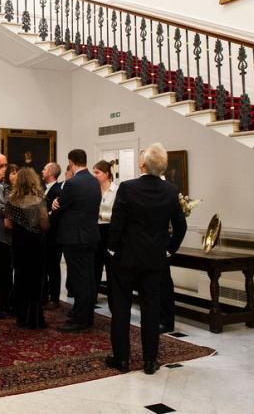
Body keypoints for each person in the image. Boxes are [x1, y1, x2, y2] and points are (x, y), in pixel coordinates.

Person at [106, 143, 187, 375]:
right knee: (151, 310)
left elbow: (117, 223)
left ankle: (122, 359)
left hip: (126, 258)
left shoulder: (127, 187)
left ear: (142, 164)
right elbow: (180, 226)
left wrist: (111, 249)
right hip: (154, 260)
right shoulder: (170, 190)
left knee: (121, 309)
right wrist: (169, 250)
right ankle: (150, 361)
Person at [51, 149, 101, 332]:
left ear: (71, 162)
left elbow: (61, 207)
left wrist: (54, 206)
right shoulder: (94, 181)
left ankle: (81, 318)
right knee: (88, 278)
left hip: (74, 237)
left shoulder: (72, 183)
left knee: (79, 279)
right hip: (90, 235)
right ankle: (85, 313)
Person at [5, 167, 49, 329]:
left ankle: (22, 317)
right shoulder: (39, 200)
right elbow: (45, 225)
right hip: (36, 243)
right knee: (36, 279)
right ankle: (36, 319)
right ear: (33, 181)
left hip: (19, 242)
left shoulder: (11, 201)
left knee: (21, 277)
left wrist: (20, 227)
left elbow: (7, 224)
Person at [0, 163, 18, 316]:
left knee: (13, 272)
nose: (15, 175)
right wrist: (13, 214)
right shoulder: (0, 188)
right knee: (4, 271)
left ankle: (10, 302)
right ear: (7, 175)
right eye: (12, 173)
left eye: (17, 172)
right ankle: (0, 304)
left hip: (17, 234)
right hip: (3, 235)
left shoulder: (21, 190)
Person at [93, 160, 117, 298]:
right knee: (95, 265)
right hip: (95, 230)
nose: (95, 175)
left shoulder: (116, 190)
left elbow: (119, 214)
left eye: (97, 172)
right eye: (94, 172)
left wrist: (102, 215)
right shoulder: (94, 189)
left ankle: (113, 299)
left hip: (109, 230)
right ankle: (92, 296)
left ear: (107, 174)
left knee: (110, 266)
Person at [42, 162, 62, 310]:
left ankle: (54, 298)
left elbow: (56, 213)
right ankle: (45, 295)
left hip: (53, 235)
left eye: (44, 169)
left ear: (50, 173)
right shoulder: (44, 188)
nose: (42, 171)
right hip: (44, 235)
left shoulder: (58, 190)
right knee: (45, 266)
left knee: (53, 267)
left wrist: (44, 218)